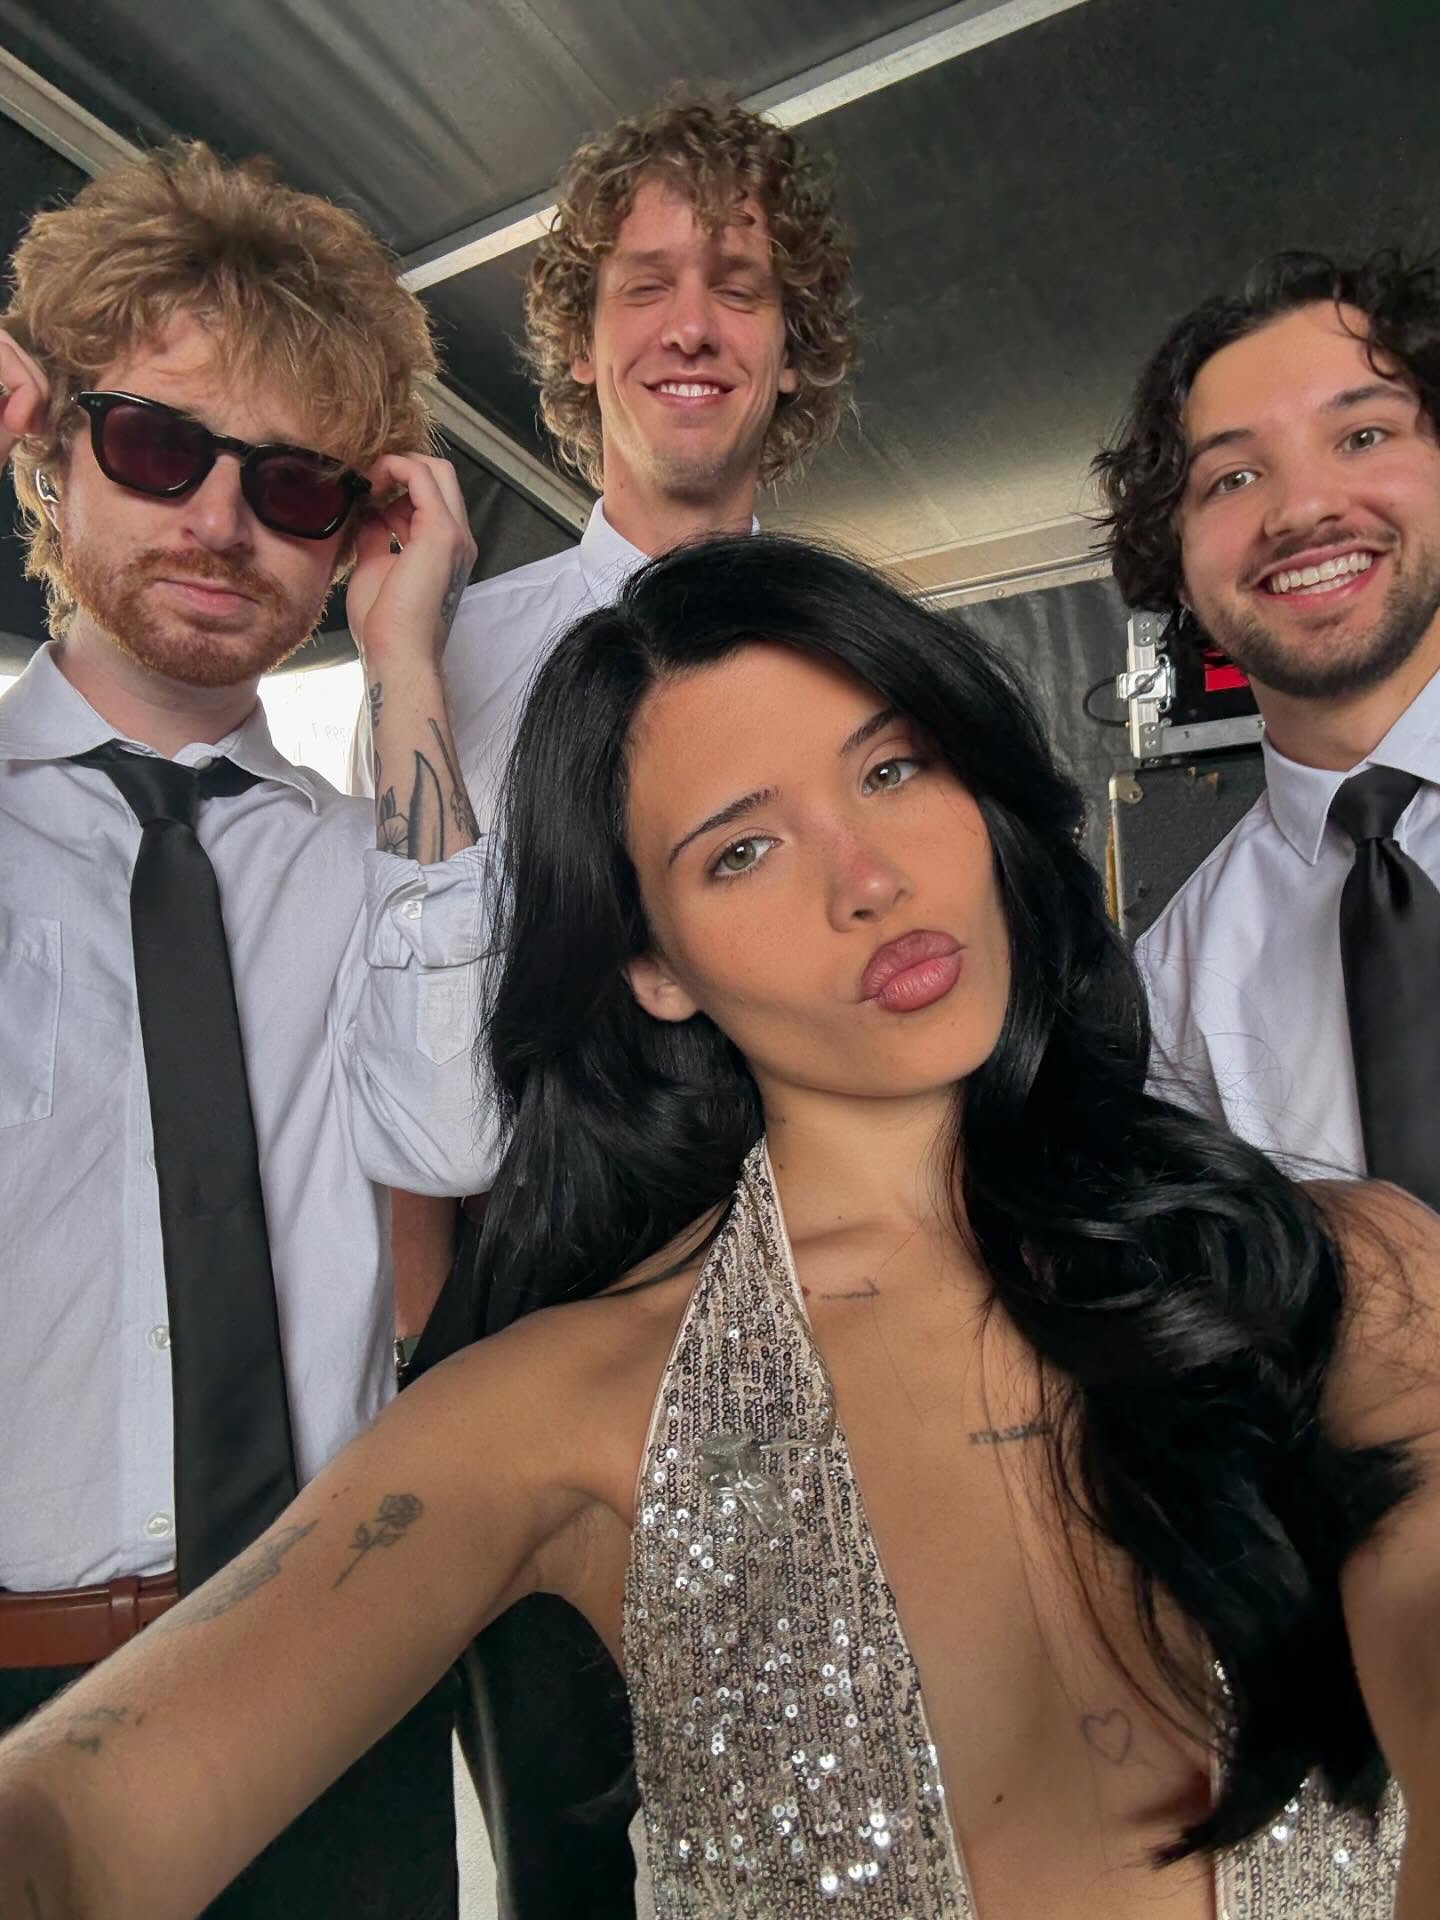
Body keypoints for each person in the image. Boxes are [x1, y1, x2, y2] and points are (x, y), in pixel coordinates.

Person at [3, 533, 1436, 1920]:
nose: (866, 878)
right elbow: (85, 1819)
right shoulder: (556, 1408)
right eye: (742, 850)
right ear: (654, 964)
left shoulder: (1342, 1267)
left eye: (893, 769)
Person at [362, 94, 858, 1916]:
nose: (693, 323)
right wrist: (438, 1343)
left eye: (739, 283)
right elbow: (391, 1013)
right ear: (580, 340)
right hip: (531, 1335)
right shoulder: (457, 647)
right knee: (570, 1854)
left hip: (829, 1334)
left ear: (791, 342)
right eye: (645, 282)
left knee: (833, 1828)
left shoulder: (859, 642)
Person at [0, 142, 491, 1917]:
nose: (219, 522)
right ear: (50, 450)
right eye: (157, 447)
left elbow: (446, 1140)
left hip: (331, 1682)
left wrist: (409, 659)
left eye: (291, 486)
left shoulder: (381, 866)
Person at [1095, 251, 1440, 1210]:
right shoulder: (1174, 995)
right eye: (1234, 476)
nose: (1303, 509)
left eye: (1362, 434)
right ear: (1176, 561)